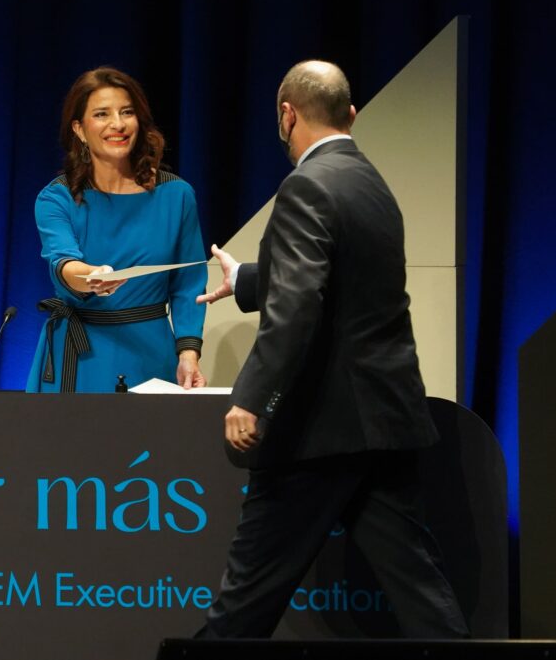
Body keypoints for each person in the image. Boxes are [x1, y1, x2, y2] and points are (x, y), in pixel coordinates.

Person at [195, 60, 469, 638]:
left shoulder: (305, 185)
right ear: (351, 113)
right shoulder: (370, 181)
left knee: (242, 607)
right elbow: (342, 281)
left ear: (286, 114)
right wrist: (246, 279)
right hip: (383, 421)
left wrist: (252, 397)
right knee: (422, 598)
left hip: (317, 433)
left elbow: (298, 307)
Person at [26, 67, 207, 393]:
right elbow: (63, 262)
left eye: (127, 112)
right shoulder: (56, 197)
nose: (118, 124)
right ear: (80, 129)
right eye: (102, 114)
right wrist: (93, 276)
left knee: (150, 444)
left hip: (151, 352)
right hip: (80, 356)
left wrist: (189, 354)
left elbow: (189, 284)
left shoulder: (177, 196)